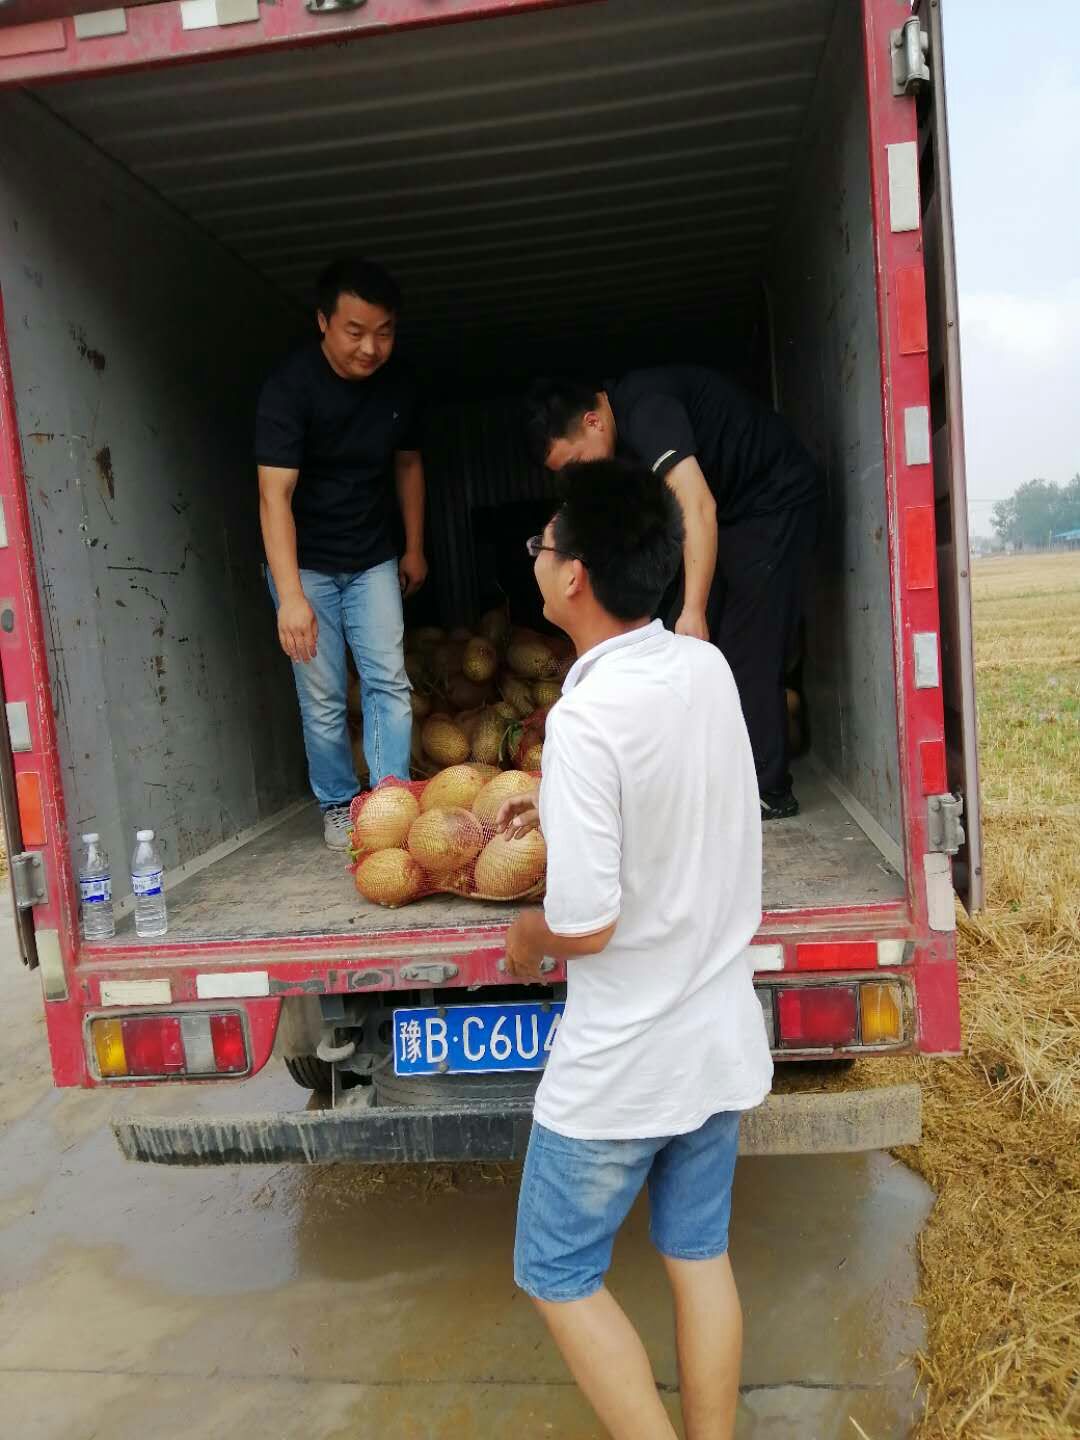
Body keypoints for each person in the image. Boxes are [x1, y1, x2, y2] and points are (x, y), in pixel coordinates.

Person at [496, 458, 773, 1440]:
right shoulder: (705, 668)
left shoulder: (585, 718)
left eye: (544, 543)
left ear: (573, 577)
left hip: (625, 1061)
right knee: (699, 1256)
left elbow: (587, 923)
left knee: (554, 1269)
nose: (538, 557)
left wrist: (528, 935)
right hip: (715, 1039)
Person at [525, 367, 821, 820]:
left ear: (593, 421)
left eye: (575, 463)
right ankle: (713, 772)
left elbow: (697, 506)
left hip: (773, 502)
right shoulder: (617, 437)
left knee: (745, 646)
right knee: (689, 638)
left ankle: (767, 790)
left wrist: (695, 609)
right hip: (731, 516)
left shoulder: (647, 412)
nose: (577, 477)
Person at [256, 257, 426, 848]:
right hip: (305, 564)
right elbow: (274, 496)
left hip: (373, 555)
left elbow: (409, 464)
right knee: (323, 695)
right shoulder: (289, 389)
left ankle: (391, 802)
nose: (370, 348)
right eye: (355, 332)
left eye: (384, 332)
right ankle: (338, 804)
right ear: (323, 322)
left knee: (388, 681)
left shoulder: (399, 384)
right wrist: (290, 598)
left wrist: (414, 547)